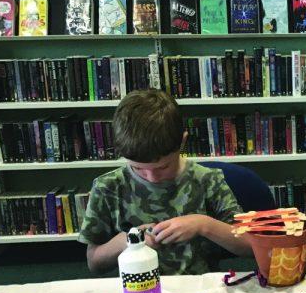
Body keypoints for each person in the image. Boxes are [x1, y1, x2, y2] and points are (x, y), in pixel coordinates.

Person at [79, 89, 252, 275]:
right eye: (138, 168)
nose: (152, 177)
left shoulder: (208, 181)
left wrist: (203, 225)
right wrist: (128, 240)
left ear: (182, 142)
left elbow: (249, 245)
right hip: (136, 291)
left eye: (163, 167)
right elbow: (94, 263)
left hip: (198, 289)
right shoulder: (107, 187)